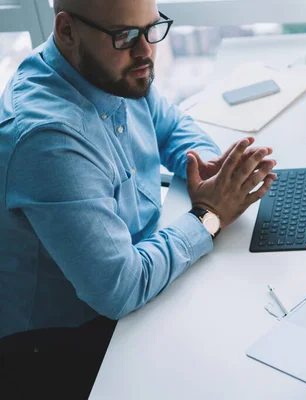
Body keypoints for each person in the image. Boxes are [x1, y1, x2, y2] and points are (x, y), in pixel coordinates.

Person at [0, 0, 276, 397]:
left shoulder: (114, 67)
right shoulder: (49, 140)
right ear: (66, 31)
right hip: (61, 344)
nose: (146, 50)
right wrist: (210, 215)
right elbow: (121, 289)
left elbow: (171, 124)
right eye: (125, 35)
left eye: (152, 29)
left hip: (134, 278)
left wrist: (205, 166)